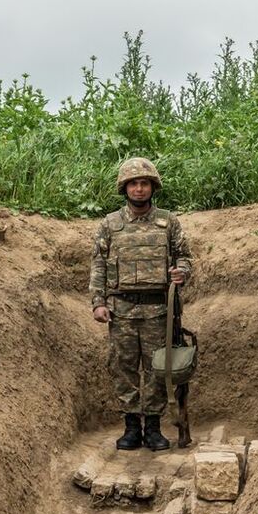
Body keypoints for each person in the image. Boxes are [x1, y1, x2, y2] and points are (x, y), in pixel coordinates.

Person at [89, 157, 192, 451]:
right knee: (124, 368)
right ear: (125, 188)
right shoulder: (110, 224)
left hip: (159, 311)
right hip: (121, 310)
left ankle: (154, 428)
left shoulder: (168, 222)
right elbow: (98, 265)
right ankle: (132, 427)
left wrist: (181, 272)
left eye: (144, 183)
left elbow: (185, 257)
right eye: (133, 183)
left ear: (152, 187)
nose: (139, 188)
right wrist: (98, 302)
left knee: (159, 369)